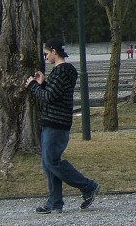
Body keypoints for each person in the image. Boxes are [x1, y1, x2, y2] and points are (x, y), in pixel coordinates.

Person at [26, 38, 100, 214]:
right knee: (48, 163)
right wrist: (43, 82)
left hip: (56, 123)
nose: (46, 57)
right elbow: (55, 93)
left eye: (46, 54)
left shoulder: (63, 71)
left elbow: (50, 97)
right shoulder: (60, 72)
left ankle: (88, 186)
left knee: (52, 161)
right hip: (53, 121)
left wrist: (33, 86)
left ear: (54, 52)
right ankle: (55, 202)